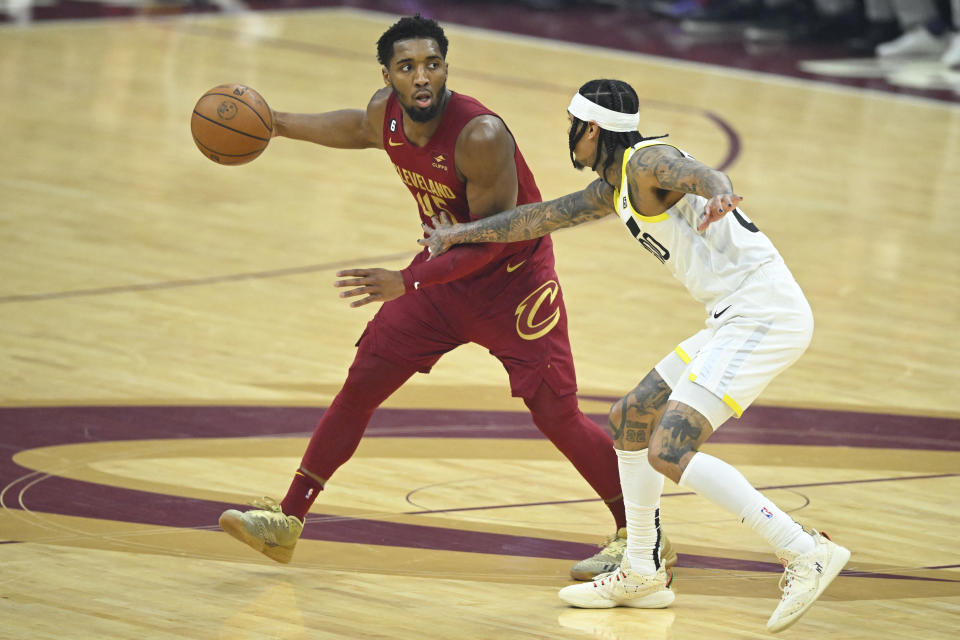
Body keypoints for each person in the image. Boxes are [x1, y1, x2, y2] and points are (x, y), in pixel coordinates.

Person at [217, 15, 678, 581]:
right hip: (441, 281)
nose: (422, 77)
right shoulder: (385, 112)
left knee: (555, 413)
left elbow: (492, 238)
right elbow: (358, 128)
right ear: (387, 75)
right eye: (407, 67)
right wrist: (277, 123)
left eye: (432, 64)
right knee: (362, 383)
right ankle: (288, 519)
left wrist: (406, 282)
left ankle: (641, 536)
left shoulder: (479, 134)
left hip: (512, 284)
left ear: (445, 68)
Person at [419, 78, 851, 633]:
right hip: (731, 316)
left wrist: (718, 188)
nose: (568, 137)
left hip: (764, 314)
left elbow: (693, 172)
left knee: (669, 448)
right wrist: (465, 233)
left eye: (572, 128)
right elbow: (541, 216)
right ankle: (641, 567)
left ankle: (801, 549)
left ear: (590, 129)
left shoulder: (648, 163)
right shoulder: (615, 185)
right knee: (631, 419)